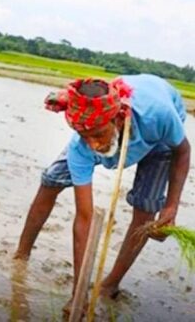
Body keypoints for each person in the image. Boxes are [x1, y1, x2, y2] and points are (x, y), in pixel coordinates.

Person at [14, 75, 190, 307]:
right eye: (85, 137)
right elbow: (84, 218)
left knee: (146, 209)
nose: (93, 146)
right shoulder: (82, 144)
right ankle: (21, 255)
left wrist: (171, 206)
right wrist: (79, 295)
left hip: (157, 141)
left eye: (97, 135)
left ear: (117, 120)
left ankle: (110, 284)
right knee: (51, 180)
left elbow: (183, 152)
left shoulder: (158, 115)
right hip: (101, 123)